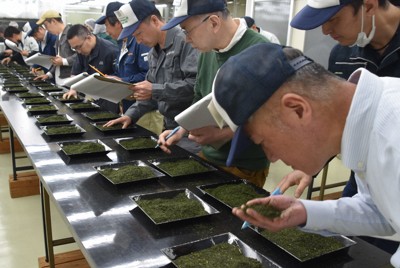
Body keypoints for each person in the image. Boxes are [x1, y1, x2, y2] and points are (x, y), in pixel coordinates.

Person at [210, 42, 400, 267]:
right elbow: (382, 211)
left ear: (297, 110)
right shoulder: (365, 121)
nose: (271, 157)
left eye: (264, 142)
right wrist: (304, 212)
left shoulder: (393, 133)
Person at [283, 0, 400, 253]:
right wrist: (313, 162)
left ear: (368, 5)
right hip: (362, 178)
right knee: (358, 251)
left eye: (332, 19)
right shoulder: (343, 54)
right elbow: (337, 117)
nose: (325, 31)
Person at [156, 0, 270, 187]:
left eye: (187, 30)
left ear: (214, 23)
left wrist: (224, 134)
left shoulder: (261, 51)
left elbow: (269, 119)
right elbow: (200, 97)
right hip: (208, 156)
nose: (186, 39)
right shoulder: (207, 51)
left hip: (245, 166)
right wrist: (181, 129)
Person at [104, 0, 199, 147]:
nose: (138, 41)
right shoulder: (153, 53)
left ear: (154, 20)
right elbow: (149, 95)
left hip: (193, 131)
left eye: (139, 33)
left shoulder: (186, 42)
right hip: (170, 129)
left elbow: (196, 86)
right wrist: (130, 115)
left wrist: (155, 90)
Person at [95, 1, 150, 114]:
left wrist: (122, 81)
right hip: (128, 106)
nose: (106, 31)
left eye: (107, 26)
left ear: (119, 23)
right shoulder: (121, 44)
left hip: (144, 109)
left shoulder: (140, 41)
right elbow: (122, 73)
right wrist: (111, 79)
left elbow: (149, 75)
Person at [63, 24, 119, 113]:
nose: (78, 51)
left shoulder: (110, 51)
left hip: (108, 99)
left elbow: (119, 78)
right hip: (90, 96)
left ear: (88, 38)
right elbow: (76, 72)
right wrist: (73, 89)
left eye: (79, 47)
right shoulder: (81, 52)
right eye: (74, 49)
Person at [35, 10, 77, 86]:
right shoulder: (58, 37)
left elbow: (81, 56)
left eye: (46, 25)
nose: (46, 29)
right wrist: (48, 74)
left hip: (70, 81)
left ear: (53, 21)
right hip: (60, 81)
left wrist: (64, 61)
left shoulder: (71, 34)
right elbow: (58, 61)